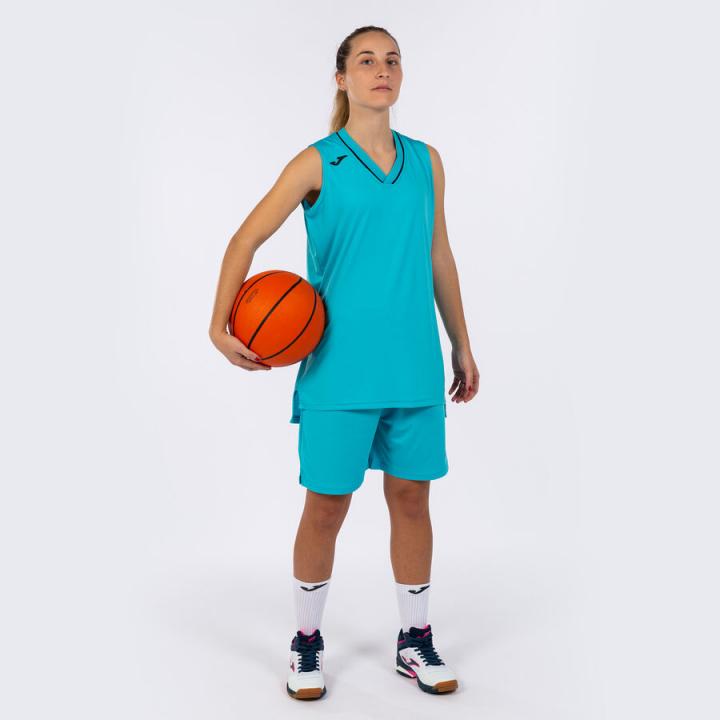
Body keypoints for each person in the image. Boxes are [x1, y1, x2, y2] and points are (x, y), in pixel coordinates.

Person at [209, 25, 479, 700]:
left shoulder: (427, 161)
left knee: (412, 500)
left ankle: (414, 639)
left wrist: (462, 343)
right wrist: (218, 325)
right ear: (342, 78)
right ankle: (306, 641)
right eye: (366, 61)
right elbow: (245, 237)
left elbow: (438, 254)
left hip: (414, 365)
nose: (381, 70)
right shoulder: (317, 162)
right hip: (339, 369)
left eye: (391, 61)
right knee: (326, 506)